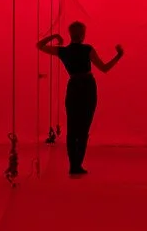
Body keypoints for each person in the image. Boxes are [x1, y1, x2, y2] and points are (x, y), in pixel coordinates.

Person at [37, 21, 124, 176]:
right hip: (88, 87)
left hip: (74, 86)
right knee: (84, 128)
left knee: (72, 127)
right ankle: (77, 165)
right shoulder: (87, 49)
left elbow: (39, 45)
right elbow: (104, 68)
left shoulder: (63, 51)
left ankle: (74, 165)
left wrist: (55, 35)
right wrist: (118, 56)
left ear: (70, 34)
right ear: (83, 34)